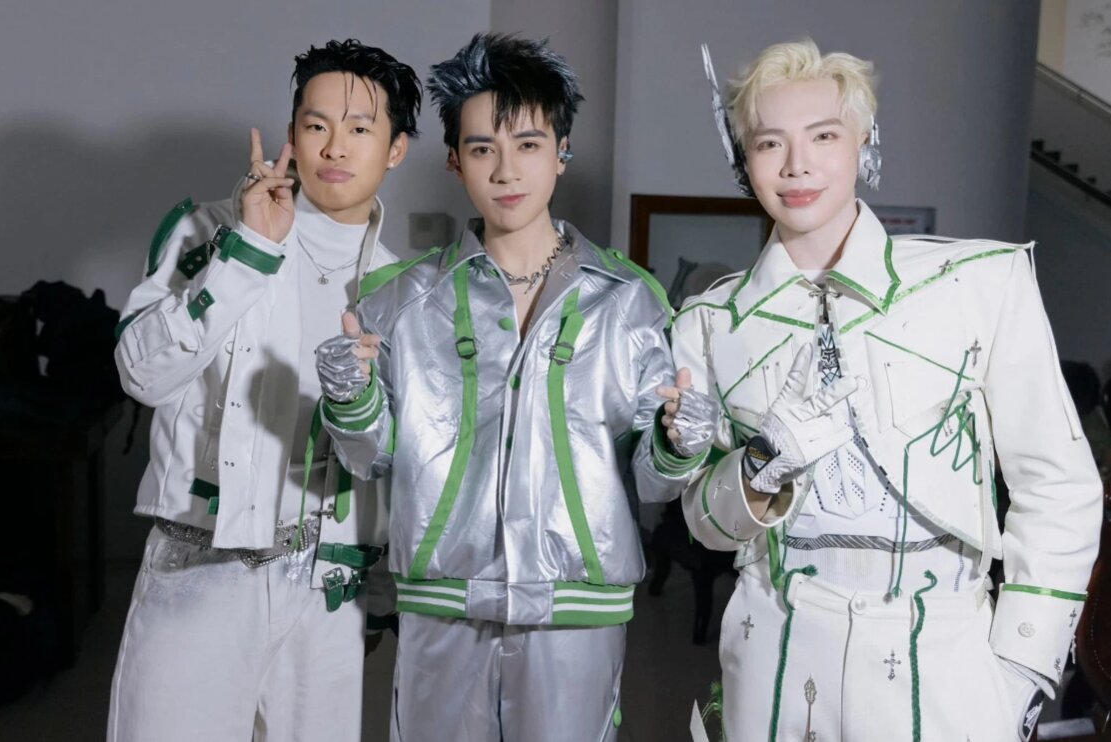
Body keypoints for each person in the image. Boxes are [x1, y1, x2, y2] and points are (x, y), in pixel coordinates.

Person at [675, 39, 1102, 742]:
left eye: (823, 136)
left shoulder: (977, 285)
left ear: (864, 143)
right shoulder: (710, 322)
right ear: (742, 159)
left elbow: (1058, 486)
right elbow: (705, 526)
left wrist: (1021, 666)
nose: (796, 164)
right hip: (772, 657)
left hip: (944, 662)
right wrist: (757, 467)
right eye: (769, 143)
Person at [314, 32, 714, 742]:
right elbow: (367, 458)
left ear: (561, 151)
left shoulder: (628, 301)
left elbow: (652, 483)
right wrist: (351, 400)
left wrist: (680, 442)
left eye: (528, 144)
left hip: (579, 609)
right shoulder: (400, 300)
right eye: (482, 149)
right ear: (454, 160)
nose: (506, 170)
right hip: (440, 603)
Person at [108, 39, 421, 742]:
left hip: (328, 590)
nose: (334, 147)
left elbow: (390, 459)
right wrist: (248, 253)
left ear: (396, 148)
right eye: (316, 125)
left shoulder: (401, 288)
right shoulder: (209, 230)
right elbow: (141, 374)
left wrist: (374, 588)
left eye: (360, 128)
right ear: (291, 133)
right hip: (200, 562)